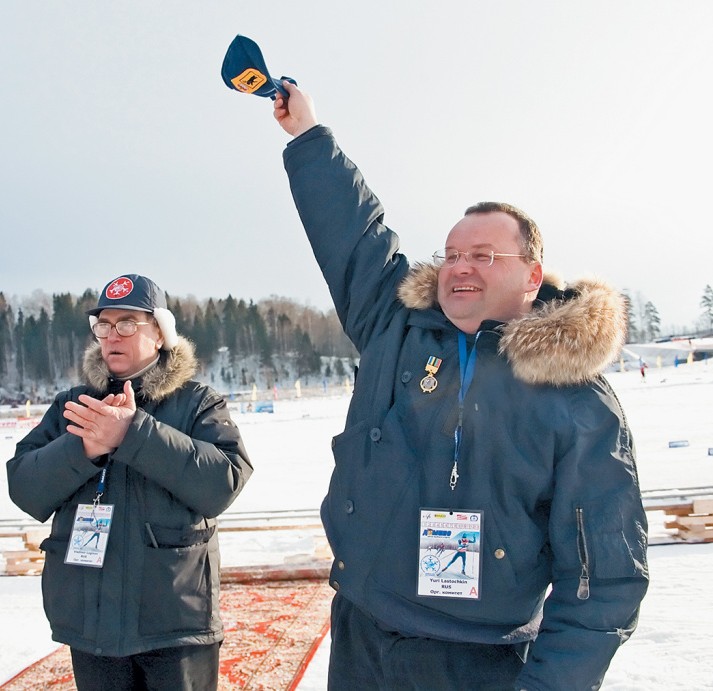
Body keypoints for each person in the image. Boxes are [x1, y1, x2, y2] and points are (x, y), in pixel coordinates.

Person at [269, 83, 648, 690]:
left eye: (482, 255)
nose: (459, 267)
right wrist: (311, 139)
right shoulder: (395, 328)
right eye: (449, 254)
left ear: (532, 275)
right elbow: (354, 236)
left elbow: (602, 576)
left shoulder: (576, 400)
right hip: (362, 635)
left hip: (479, 660)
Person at [7, 273, 252, 691]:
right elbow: (24, 487)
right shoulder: (73, 405)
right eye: (103, 325)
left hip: (174, 623)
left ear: (159, 333)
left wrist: (133, 434)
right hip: (93, 621)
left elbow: (223, 481)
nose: (111, 336)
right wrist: (83, 450)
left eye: (126, 324)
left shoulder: (197, 402)